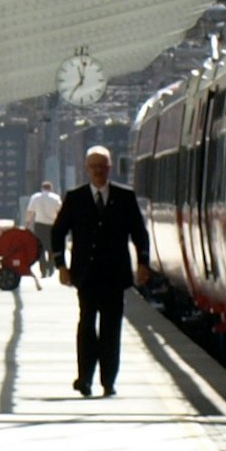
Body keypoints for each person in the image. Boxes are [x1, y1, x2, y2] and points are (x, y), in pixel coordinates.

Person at [54, 147, 149, 398]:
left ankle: (108, 380)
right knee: (86, 325)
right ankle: (84, 378)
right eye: (94, 166)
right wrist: (61, 266)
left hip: (115, 276)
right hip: (85, 275)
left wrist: (143, 262)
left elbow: (139, 232)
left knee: (111, 329)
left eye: (102, 166)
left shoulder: (125, 197)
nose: (98, 171)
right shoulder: (75, 198)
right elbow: (58, 232)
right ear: (87, 169)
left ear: (109, 169)